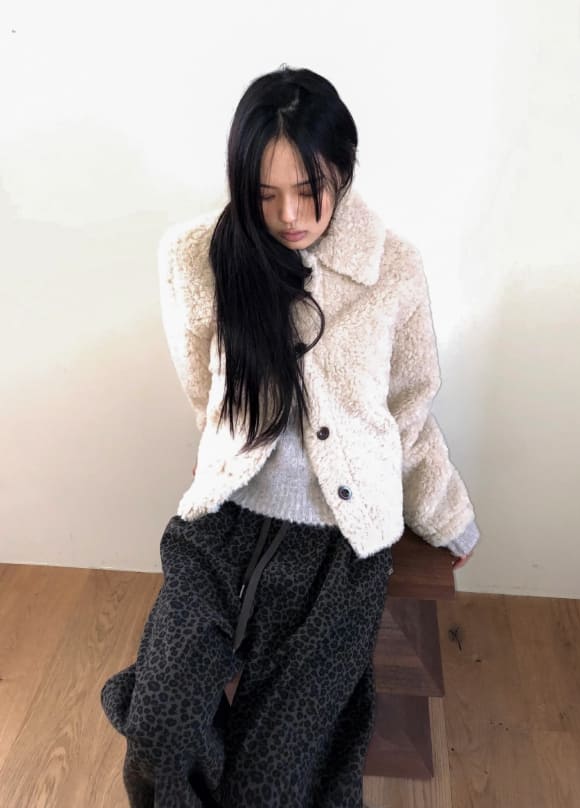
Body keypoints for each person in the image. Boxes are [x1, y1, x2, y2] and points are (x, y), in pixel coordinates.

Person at [100, 64, 480, 808]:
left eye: (309, 190)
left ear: (343, 169)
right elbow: (205, 388)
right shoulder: (199, 257)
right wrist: (224, 455)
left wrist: (448, 515)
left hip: (340, 549)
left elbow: (408, 410)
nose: (289, 215)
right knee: (160, 738)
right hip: (223, 529)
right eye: (265, 194)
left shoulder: (394, 269)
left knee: (272, 783)